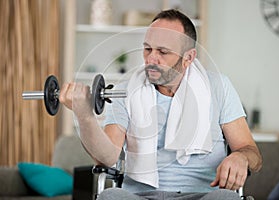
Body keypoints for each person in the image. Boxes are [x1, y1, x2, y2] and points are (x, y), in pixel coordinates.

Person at [59, 9, 262, 200]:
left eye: (163, 52)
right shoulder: (126, 90)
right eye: (147, 49)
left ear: (188, 58)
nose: (151, 59)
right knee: (110, 197)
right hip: (140, 195)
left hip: (203, 194)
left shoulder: (219, 86)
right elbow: (106, 158)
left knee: (227, 198)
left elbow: (252, 154)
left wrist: (241, 158)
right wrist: (84, 116)